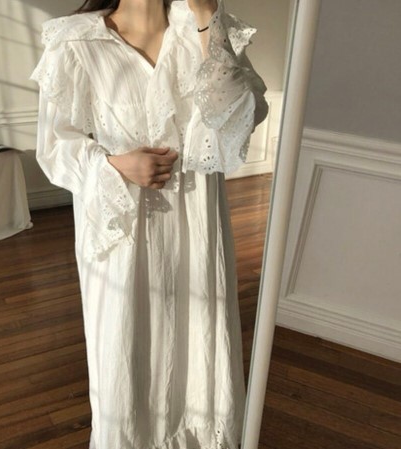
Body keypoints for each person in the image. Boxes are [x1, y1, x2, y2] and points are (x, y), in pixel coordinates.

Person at [29, 0, 268, 447]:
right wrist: (115, 165)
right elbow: (55, 148)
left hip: (197, 228)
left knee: (199, 343)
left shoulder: (207, 31)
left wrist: (207, 16)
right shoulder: (77, 41)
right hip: (122, 234)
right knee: (125, 348)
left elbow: (243, 117)